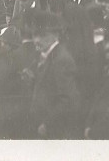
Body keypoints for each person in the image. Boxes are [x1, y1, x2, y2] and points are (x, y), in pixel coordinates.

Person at [29, 11, 81, 139]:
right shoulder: (46, 55)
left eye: (42, 35)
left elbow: (68, 100)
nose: (36, 40)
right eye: (34, 35)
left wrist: (48, 124)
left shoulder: (61, 59)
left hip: (53, 131)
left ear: (56, 35)